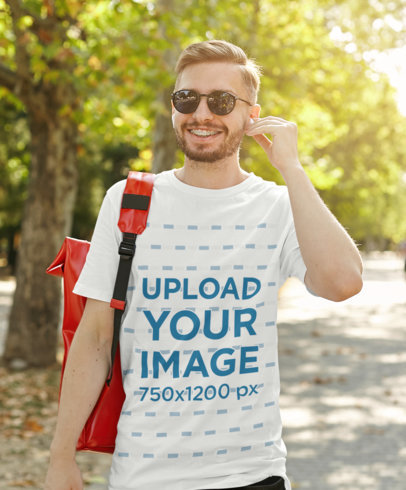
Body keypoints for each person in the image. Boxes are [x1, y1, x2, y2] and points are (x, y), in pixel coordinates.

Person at [45, 40, 363, 490]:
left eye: (222, 101)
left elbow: (343, 282)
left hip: (253, 473)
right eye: (186, 98)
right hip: (145, 474)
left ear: (252, 116)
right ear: (174, 108)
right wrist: (61, 456)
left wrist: (292, 168)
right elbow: (95, 337)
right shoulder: (129, 200)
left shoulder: (277, 205)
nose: (202, 113)